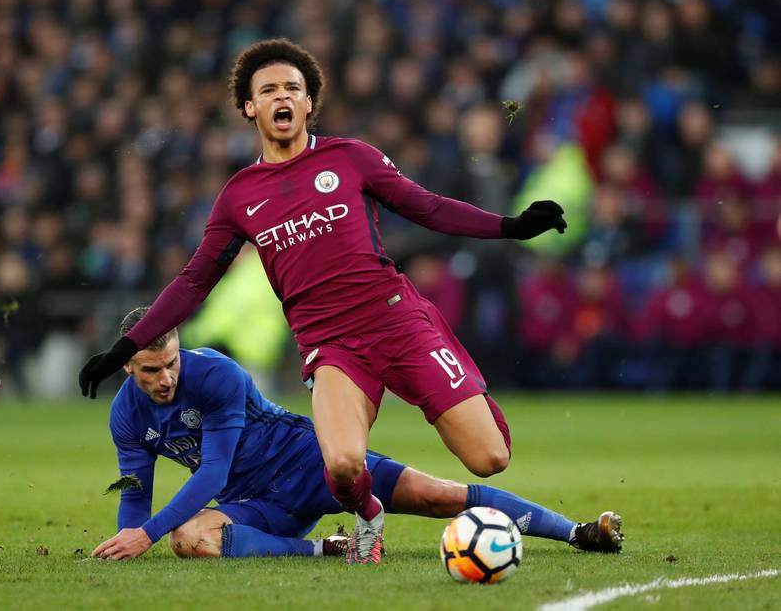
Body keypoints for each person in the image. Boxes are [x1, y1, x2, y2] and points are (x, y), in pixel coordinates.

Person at [80, 39, 568, 564]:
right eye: (268, 90)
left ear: (309, 101)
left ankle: (472, 403)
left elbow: (425, 208)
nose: (282, 97)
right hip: (331, 347)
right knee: (340, 464)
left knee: (490, 456)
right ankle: (368, 517)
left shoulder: (350, 158)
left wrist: (510, 227)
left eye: (292, 87)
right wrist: (122, 348)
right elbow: (193, 281)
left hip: (396, 320)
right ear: (250, 107)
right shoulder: (240, 196)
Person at [91, 308, 623, 562]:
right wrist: (127, 537)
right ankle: (329, 548)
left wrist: (146, 534)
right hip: (252, 503)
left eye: (170, 364)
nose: (166, 379)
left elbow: (210, 468)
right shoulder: (126, 416)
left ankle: (578, 531)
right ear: (126, 370)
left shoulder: (216, 375)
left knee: (437, 496)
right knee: (191, 541)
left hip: (307, 460)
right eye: (150, 371)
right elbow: (136, 491)